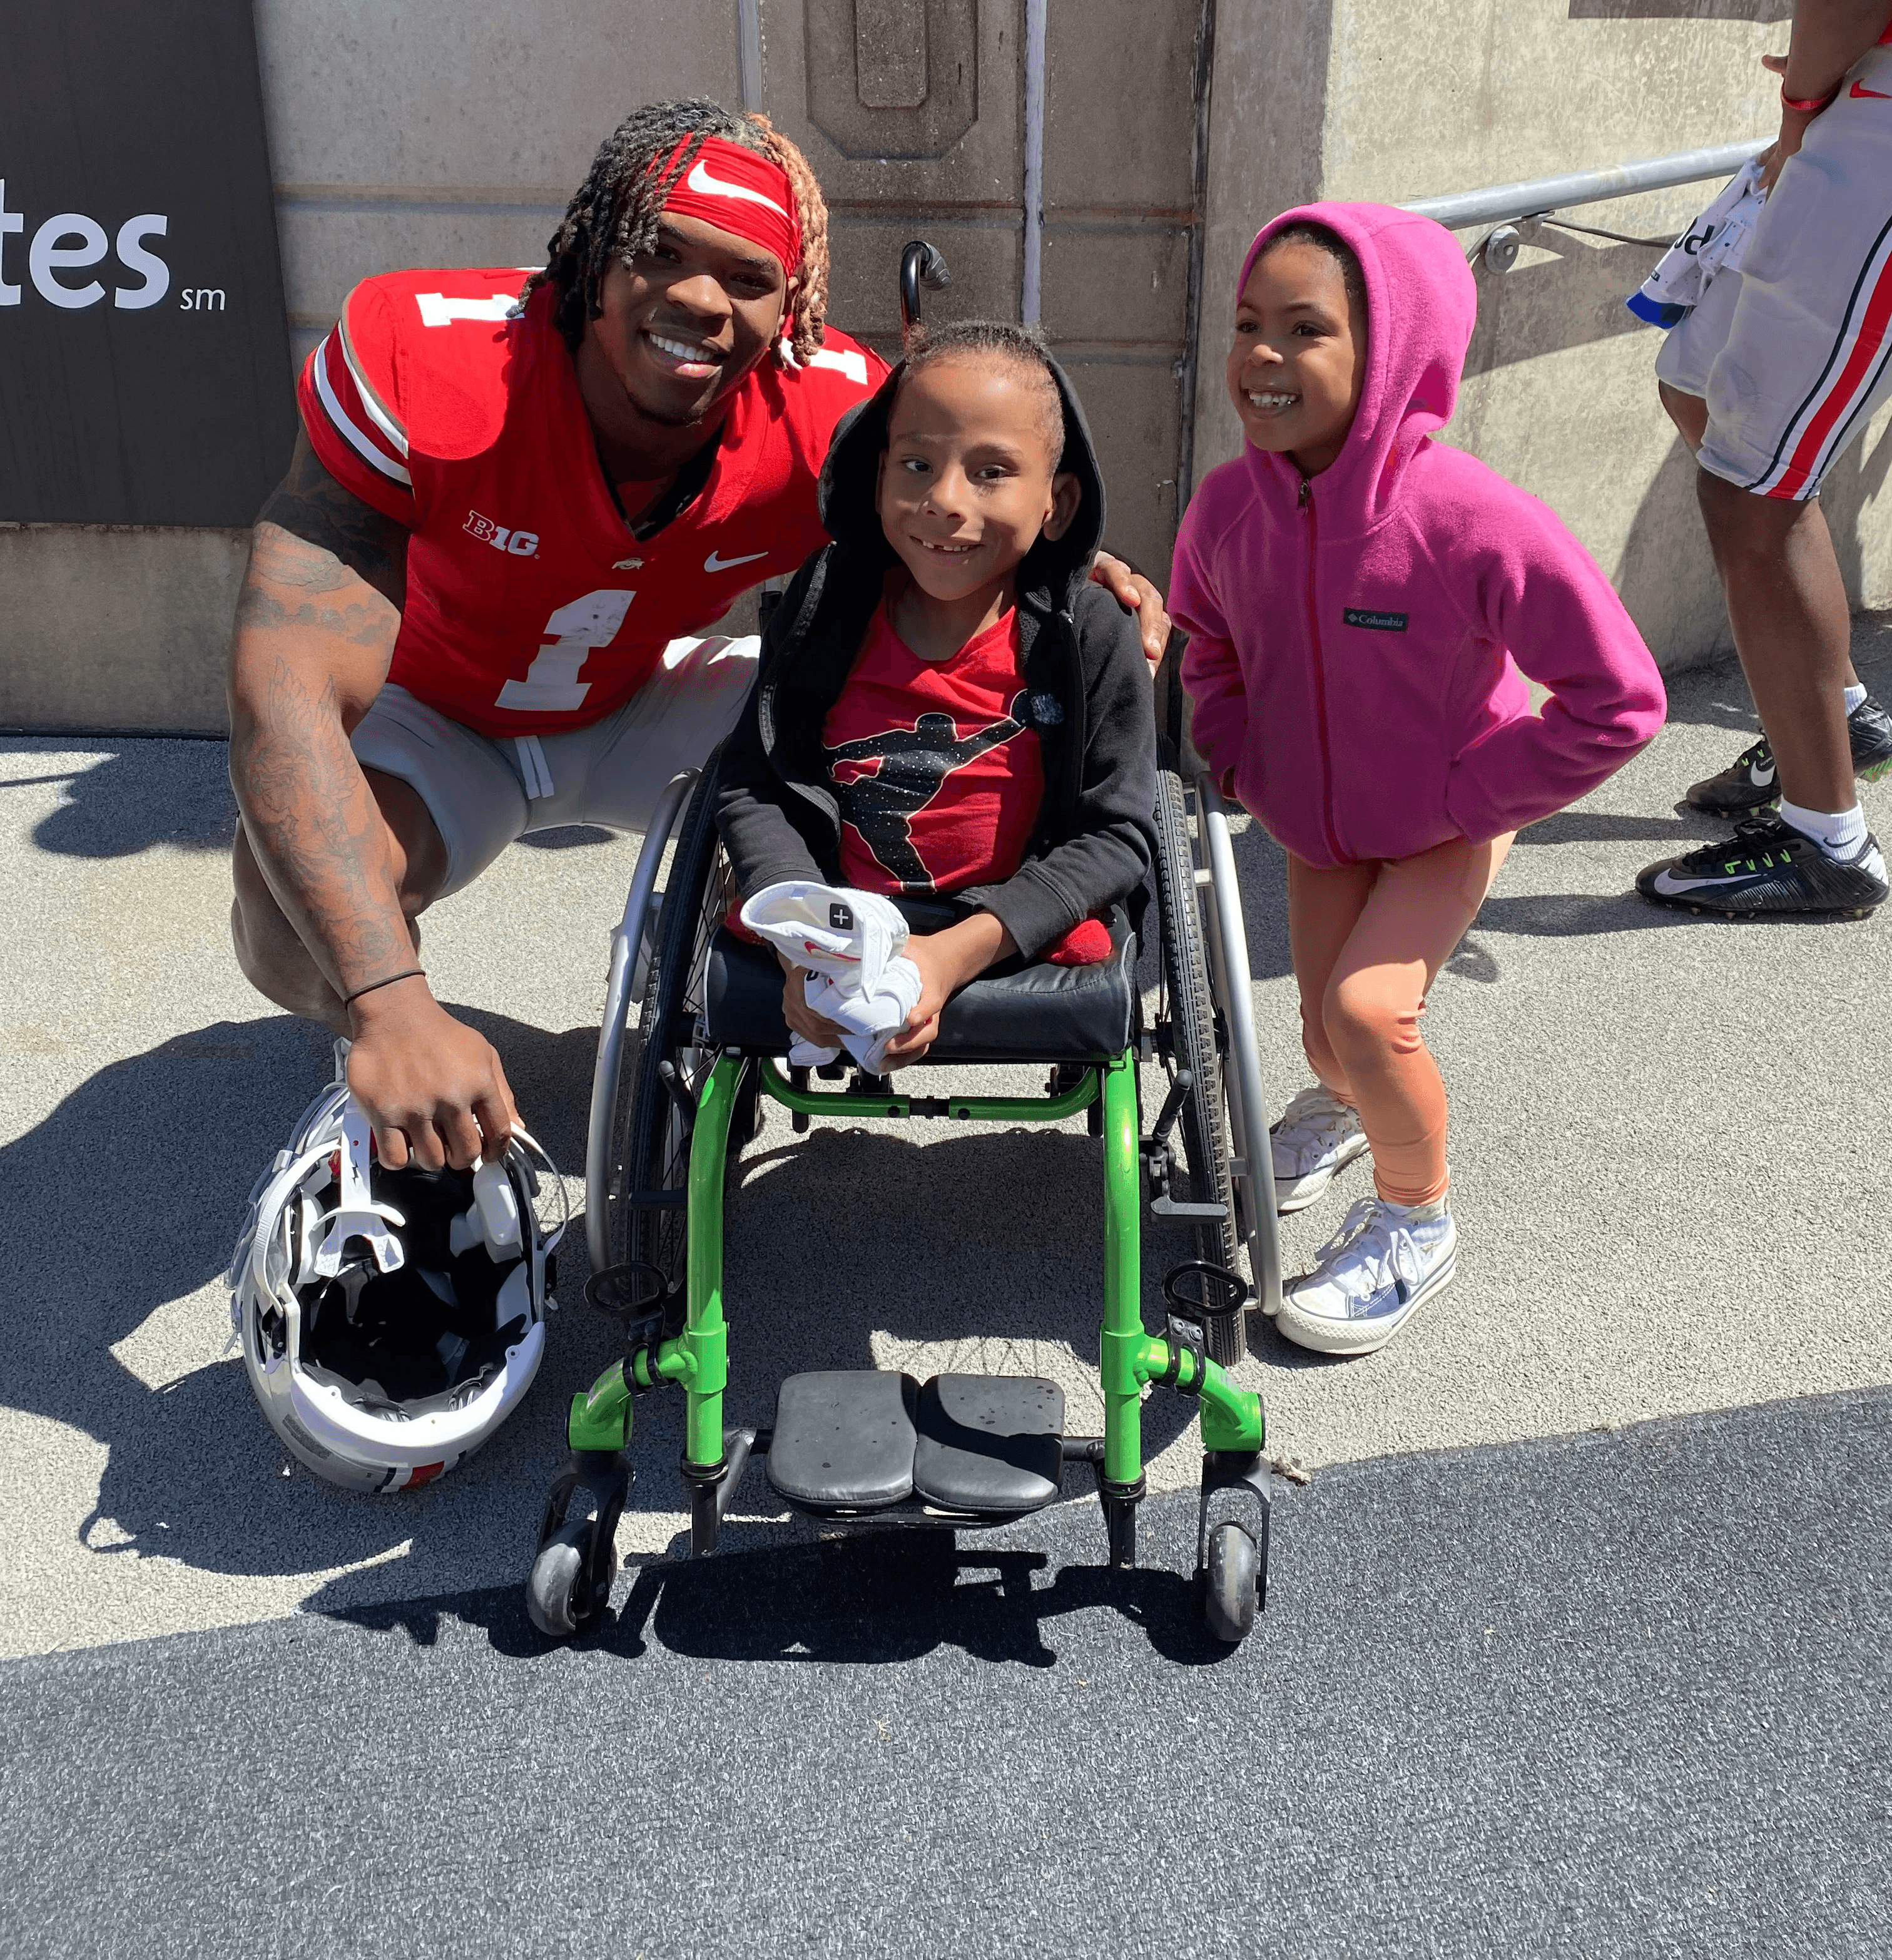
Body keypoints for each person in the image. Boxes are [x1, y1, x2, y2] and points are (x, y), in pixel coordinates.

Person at [226, 101, 1168, 1171]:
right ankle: (388, 1063)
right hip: (443, 721)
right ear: (588, 247)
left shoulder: (830, 413)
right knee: (285, 920)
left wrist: (1071, 563)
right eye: (657, 250)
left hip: (652, 708)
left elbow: (969, 490)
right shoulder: (429, 358)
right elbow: (283, 684)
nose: (696, 298)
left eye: (745, 276)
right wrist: (388, 1000)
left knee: (860, 731)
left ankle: (808, 964)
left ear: (790, 309)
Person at [1171, 208, 1666, 1357]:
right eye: (1248, 323)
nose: (1260, 355)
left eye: (1305, 330)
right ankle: (1339, 1109)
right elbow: (1205, 638)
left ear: (1389, 352)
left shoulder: (1467, 519)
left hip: (1448, 814)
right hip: (1311, 819)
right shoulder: (1225, 507)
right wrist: (1240, 751)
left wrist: (1469, 794)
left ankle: (1413, 1221)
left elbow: (1618, 697)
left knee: (1365, 1009)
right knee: (1319, 1031)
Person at [715, 321, 1156, 1068]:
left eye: (991, 472)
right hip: (838, 916)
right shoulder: (826, 607)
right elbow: (756, 785)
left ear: (1059, 502)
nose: (943, 499)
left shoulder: (1089, 634)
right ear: (878, 472)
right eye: (916, 464)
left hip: (1012, 921)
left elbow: (1117, 834)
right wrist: (803, 942)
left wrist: (951, 957)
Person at [1637, 1, 1892, 919]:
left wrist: (1797, 113)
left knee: (1755, 486)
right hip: (1856, 103)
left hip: (1870, 129)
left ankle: (1828, 840)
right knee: (1694, 382)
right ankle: (1839, 715)